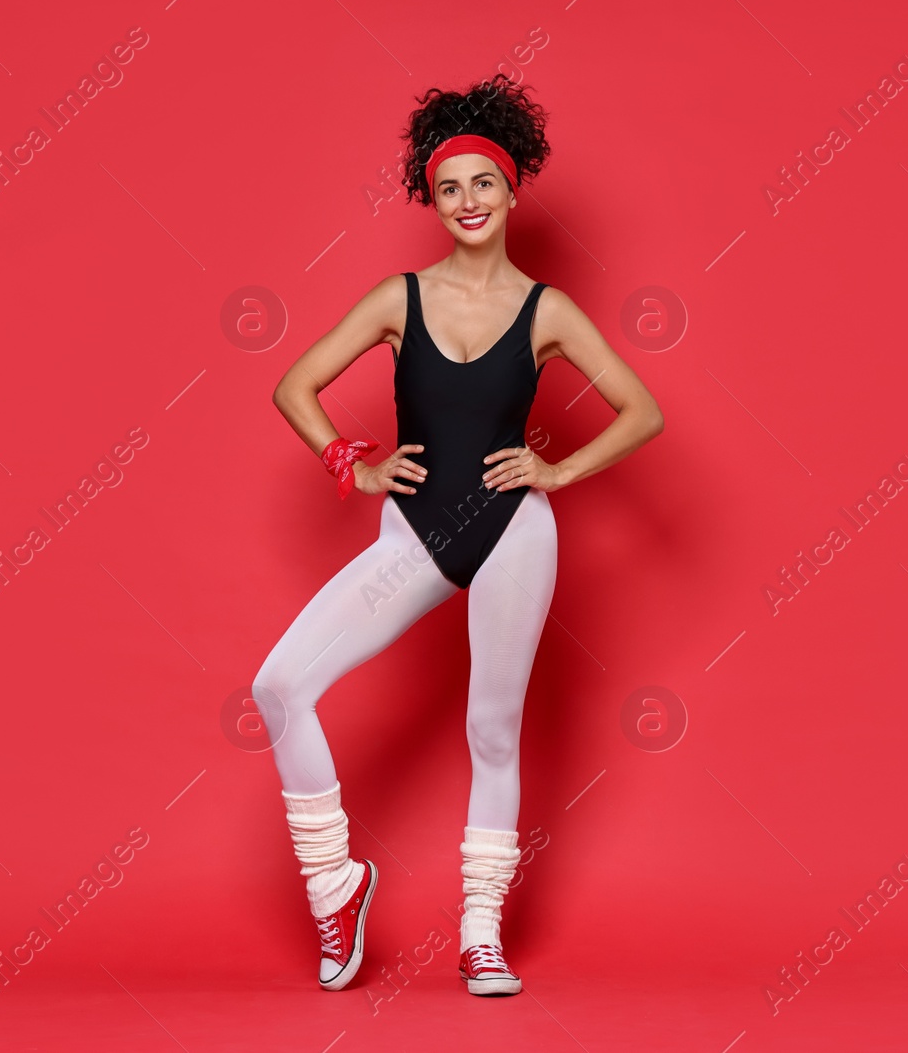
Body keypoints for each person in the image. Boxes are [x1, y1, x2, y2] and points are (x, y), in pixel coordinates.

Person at [252, 74, 663, 996]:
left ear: (513, 191)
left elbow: (643, 412)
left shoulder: (548, 310)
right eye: (449, 188)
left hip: (516, 532)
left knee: (492, 730)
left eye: (484, 183)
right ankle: (335, 885)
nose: (468, 201)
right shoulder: (399, 298)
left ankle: (481, 934)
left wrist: (556, 471)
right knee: (280, 685)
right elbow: (294, 386)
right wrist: (347, 465)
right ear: (431, 201)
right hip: (417, 535)